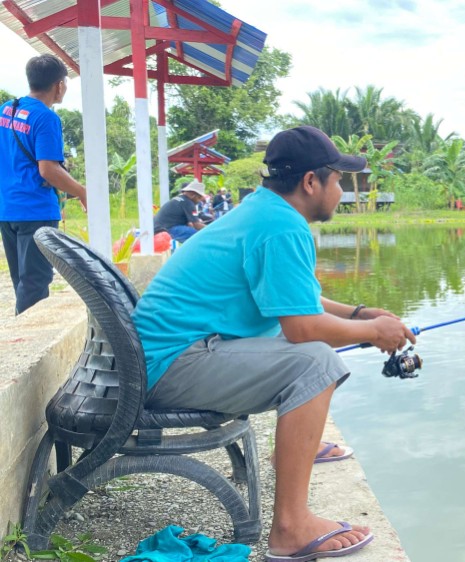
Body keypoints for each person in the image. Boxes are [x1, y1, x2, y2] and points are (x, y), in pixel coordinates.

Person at [133, 126, 415, 559]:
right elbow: (302, 327)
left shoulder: (264, 211)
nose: (341, 190)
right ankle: (290, 528)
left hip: (160, 358)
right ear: (310, 182)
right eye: (338, 179)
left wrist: (360, 315)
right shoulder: (282, 226)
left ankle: (299, 446)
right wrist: (377, 333)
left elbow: (298, 300)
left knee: (311, 353)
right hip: (170, 366)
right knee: (315, 362)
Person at [0, 54, 87, 314]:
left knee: (22, 283)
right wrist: (82, 192)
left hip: (7, 209)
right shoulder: (46, 118)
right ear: (58, 85)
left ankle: (21, 330)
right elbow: (48, 169)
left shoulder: (6, 109)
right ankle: (30, 346)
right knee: (35, 284)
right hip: (35, 211)